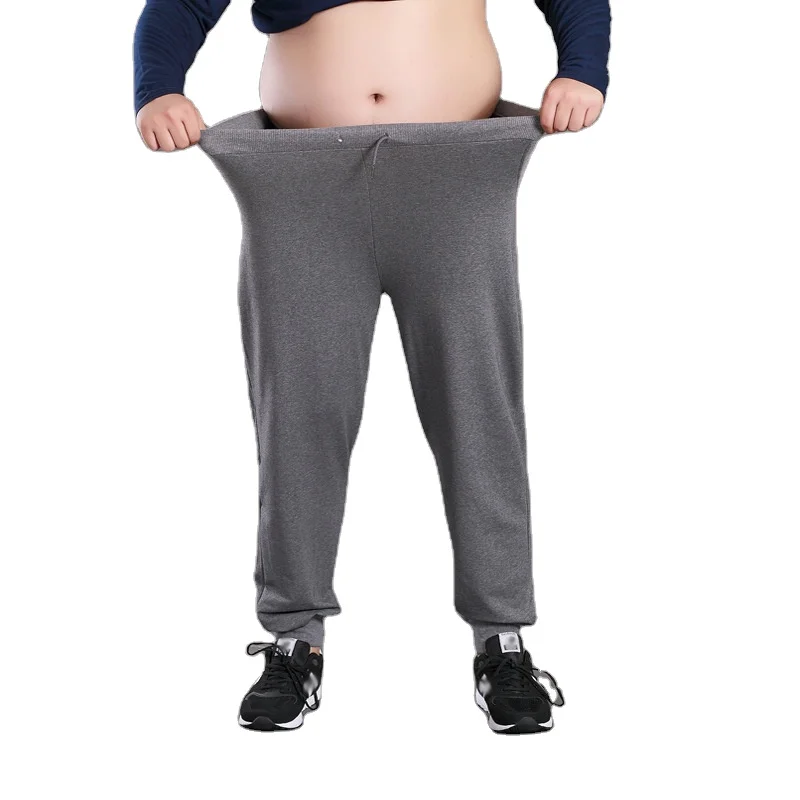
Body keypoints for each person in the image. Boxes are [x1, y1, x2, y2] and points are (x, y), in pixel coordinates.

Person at [133, 0, 610, 734]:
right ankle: (294, 639)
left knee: (477, 410)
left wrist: (582, 70)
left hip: (458, 169)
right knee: (299, 415)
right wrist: (158, 86)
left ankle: (503, 640)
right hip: (299, 179)